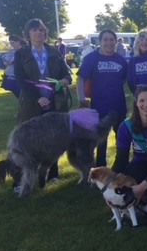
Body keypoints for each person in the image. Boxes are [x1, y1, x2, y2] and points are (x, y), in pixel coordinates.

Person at [14, 18, 72, 183]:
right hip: (31, 104)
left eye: (41, 30)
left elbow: (66, 74)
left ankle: (52, 174)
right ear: (28, 34)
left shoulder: (54, 52)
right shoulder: (21, 54)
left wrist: (65, 80)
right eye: (34, 30)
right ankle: (20, 179)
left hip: (54, 103)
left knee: (53, 139)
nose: (38, 33)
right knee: (26, 141)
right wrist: (37, 97)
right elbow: (21, 80)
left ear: (45, 33)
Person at [76, 29, 128, 167]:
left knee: (121, 137)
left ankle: (121, 166)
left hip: (119, 106)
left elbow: (123, 79)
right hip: (99, 107)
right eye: (105, 40)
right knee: (100, 141)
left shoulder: (121, 60)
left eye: (112, 39)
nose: (109, 43)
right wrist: (82, 100)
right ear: (100, 42)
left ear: (116, 41)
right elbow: (80, 79)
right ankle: (100, 168)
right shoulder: (91, 58)